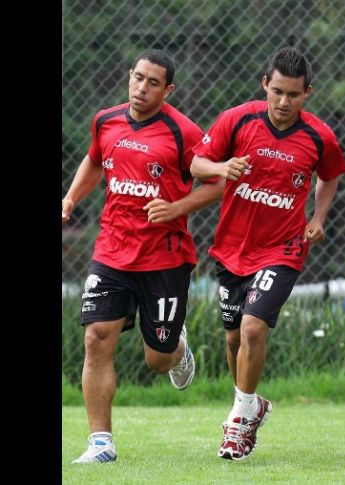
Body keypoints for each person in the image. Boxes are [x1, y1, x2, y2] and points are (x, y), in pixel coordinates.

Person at [62, 49, 224, 464]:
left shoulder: (183, 132)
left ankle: (177, 350)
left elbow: (216, 183)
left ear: (168, 89)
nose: (142, 88)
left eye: (153, 82)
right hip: (112, 251)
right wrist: (70, 198)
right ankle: (101, 443)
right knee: (96, 338)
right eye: (138, 78)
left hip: (164, 258)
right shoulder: (106, 120)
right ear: (129, 77)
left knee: (158, 359)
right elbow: (95, 160)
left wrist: (175, 208)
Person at [190, 47, 345, 461]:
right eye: (276, 91)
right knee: (232, 336)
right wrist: (222, 169)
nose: (283, 102)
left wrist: (318, 216)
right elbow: (196, 165)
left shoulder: (319, 136)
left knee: (253, 328)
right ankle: (251, 403)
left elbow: (331, 176)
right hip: (232, 249)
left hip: (283, 249)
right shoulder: (237, 119)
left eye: (293, 95)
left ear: (307, 93)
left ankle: (239, 423)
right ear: (265, 85)